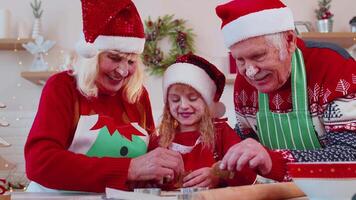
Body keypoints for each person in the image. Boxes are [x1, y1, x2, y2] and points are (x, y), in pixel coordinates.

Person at [24, 0, 183, 193]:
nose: (124, 71)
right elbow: (40, 162)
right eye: (114, 58)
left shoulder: (137, 96)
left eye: (131, 61)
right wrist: (129, 169)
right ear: (91, 55)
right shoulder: (62, 87)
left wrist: (164, 166)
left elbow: (148, 153)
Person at [215, 0, 356, 182]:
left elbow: (350, 154)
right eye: (240, 60)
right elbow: (247, 144)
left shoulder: (334, 66)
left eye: (258, 56)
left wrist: (276, 161)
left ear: (289, 41)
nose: (250, 71)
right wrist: (219, 172)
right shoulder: (245, 84)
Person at [148, 54, 256, 189]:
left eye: (192, 98)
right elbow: (145, 181)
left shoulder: (222, 133)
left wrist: (217, 174)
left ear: (207, 102)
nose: (183, 106)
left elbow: (247, 173)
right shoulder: (159, 142)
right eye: (175, 99)